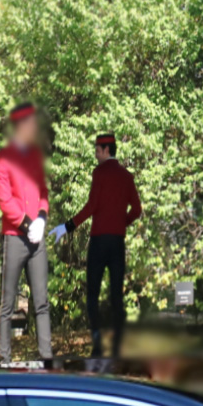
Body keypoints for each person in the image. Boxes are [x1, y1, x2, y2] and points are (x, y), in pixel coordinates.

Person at [0, 103, 64, 366]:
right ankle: (4, 360)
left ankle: (46, 357)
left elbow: (43, 192)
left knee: (41, 302)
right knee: (7, 304)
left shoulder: (35, 156)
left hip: (37, 237)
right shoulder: (2, 159)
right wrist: (27, 225)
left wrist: (42, 219)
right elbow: (5, 200)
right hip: (15, 236)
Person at [75, 132, 143, 360]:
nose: (95, 154)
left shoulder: (99, 173)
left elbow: (91, 206)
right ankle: (118, 347)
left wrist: (68, 225)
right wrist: (122, 222)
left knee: (92, 293)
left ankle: (97, 343)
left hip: (99, 241)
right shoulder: (127, 176)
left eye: (97, 150)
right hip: (117, 242)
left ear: (106, 150)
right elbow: (137, 210)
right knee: (116, 296)